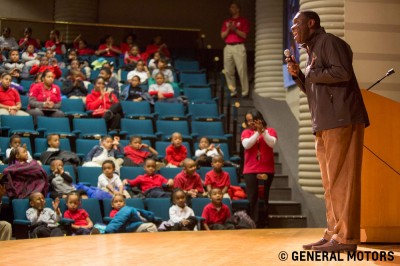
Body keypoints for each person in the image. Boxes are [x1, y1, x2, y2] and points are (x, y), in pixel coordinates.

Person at [286, 10, 369, 252]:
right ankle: (333, 232)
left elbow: (342, 72)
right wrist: (300, 76)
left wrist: (311, 73)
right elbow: (316, 88)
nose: (293, 29)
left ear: (311, 23)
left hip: (341, 119)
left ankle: (346, 238)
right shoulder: (312, 49)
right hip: (324, 122)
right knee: (330, 183)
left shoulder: (329, 42)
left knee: (342, 182)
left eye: (296, 24)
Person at [241, 109, 277, 228]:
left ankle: (265, 223)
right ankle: (254, 223)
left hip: (267, 169)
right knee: (253, 197)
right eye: (248, 121)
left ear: (259, 119)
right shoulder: (246, 132)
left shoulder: (270, 131)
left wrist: (263, 132)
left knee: (264, 196)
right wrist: (257, 132)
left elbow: (271, 143)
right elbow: (247, 144)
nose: (250, 122)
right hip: (250, 170)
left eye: (252, 120)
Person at [221, 1, 249, 97]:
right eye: (230, 7)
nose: (231, 9)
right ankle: (232, 91)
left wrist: (235, 29)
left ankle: (245, 91)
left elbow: (244, 35)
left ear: (238, 9)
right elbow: (222, 36)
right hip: (228, 46)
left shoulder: (243, 21)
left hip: (239, 46)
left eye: (233, 7)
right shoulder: (226, 22)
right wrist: (229, 29)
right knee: (228, 70)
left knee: (241, 69)